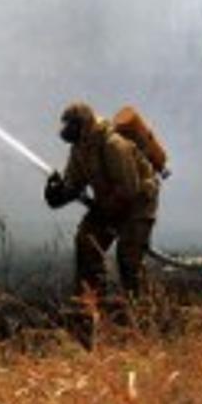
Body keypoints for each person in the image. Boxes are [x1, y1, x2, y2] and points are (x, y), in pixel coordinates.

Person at [44, 102, 161, 301]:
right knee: (86, 242)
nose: (65, 130)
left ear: (83, 124)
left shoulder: (113, 144)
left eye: (70, 125)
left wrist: (104, 210)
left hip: (139, 205)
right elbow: (73, 186)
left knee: (128, 259)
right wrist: (55, 193)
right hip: (109, 205)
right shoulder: (79, 149)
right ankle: (92, 303)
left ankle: (142, 311)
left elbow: (129, 189)